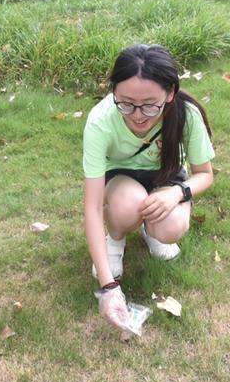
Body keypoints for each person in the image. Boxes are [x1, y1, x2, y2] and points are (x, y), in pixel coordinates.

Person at [82, 44, 215, 332]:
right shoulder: (100, 121)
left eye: (150, 105)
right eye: (126, 103)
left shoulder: (186, 115)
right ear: (113, 91)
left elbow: (205, 174)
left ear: (170, 93)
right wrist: (108, 287)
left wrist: (177, 193)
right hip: (119, 181)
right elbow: (92, 207)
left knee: (171, 227)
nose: (138, 115)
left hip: (165, 180)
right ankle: (115, 239)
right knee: (128, 204)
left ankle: (151, 228)